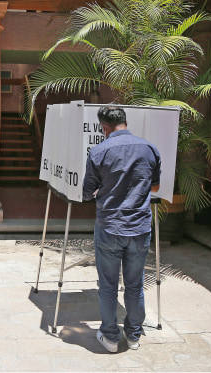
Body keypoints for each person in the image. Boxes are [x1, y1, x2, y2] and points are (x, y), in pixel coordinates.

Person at [82, 106, 161, 353]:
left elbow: (86, 192)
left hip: (109, 227)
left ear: (104, 127)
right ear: (126, 122)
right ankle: (134, 335)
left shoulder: (99, 151)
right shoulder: (149, 149)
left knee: (107, 285)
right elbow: (155, 188)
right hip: (139, 227)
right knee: (135, 285)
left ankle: (110, 338)